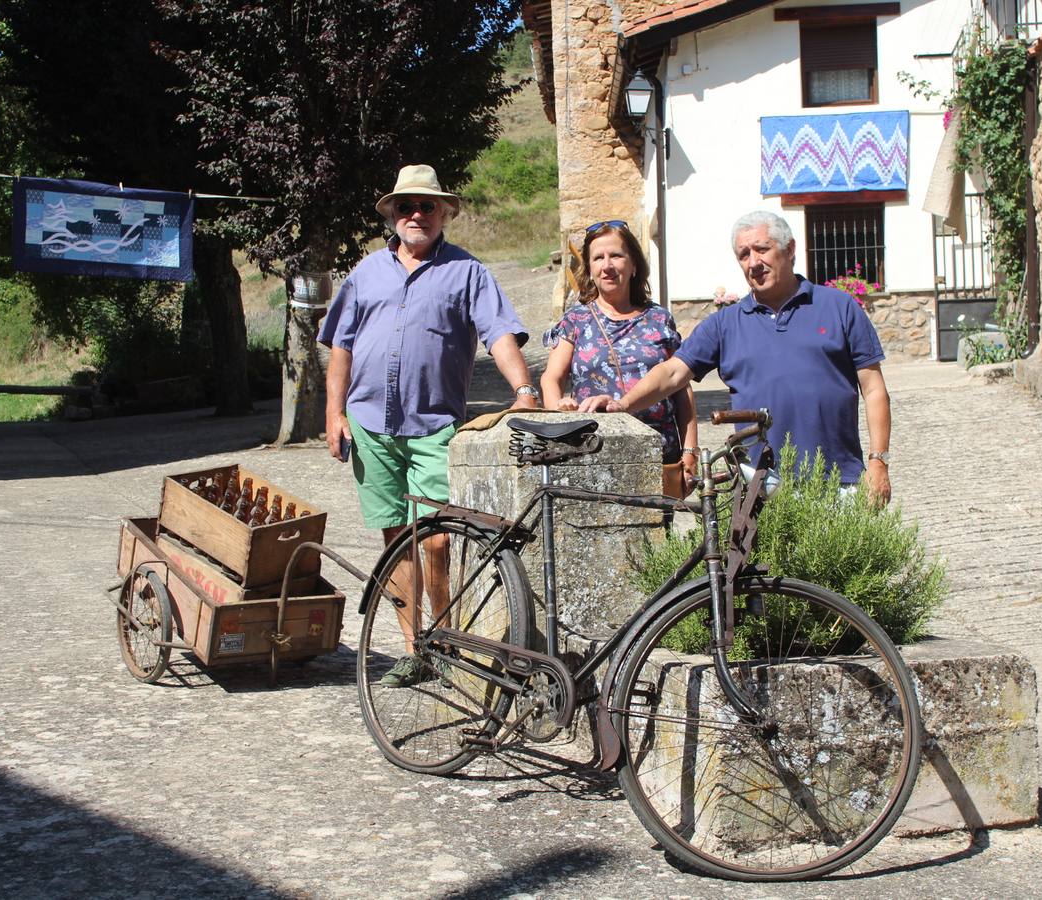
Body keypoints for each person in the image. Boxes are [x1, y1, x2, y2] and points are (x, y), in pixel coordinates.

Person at [318, 164, 539, 686]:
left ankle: (445, 635)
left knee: (436, 539)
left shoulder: (467, 272)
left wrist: (524, 391)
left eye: (427, 206)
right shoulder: (366, 273)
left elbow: (500, 332)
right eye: (406, 206)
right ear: (393, 215)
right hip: (370, 426)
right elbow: (341, 348)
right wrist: (333, 413)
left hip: (434, 426)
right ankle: (414, 647)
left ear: (443, 213)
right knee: (396, 540)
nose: (416, 214)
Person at [579, 209, 892, 505]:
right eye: (744, 254)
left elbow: (874, 389)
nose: (754, 261)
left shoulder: (839, 307)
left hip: (840, 482)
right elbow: (672, 373)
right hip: (761, 484)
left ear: (790, 249)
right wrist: (623, 404)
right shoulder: (726, 324)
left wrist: (879, 462)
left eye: (762, 249)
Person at [540, 221, 698, 494]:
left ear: (634, 264)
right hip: (592, 453)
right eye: (598, 258)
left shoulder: (659, 319)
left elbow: (682, 390)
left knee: (659, 535)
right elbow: (551, 378)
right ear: (589, 269)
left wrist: (690, 453)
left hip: (658, 455)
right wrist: (559, 413)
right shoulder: (576, 320)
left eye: (616, 255)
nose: (607, 265)